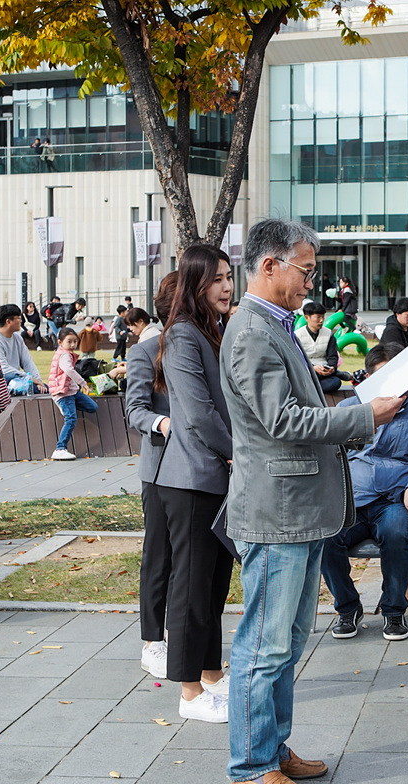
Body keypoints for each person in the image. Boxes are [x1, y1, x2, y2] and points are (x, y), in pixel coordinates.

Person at [220, 218, 403, 784]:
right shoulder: (252, 331)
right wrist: (360, 416)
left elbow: (294, 409)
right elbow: (282, 422)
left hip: (294, 508)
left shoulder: (274, 325)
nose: (311, 283)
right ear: (268, 266)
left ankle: (271, 747)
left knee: (290, 638)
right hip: (276, 511)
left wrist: (351, 405)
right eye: (305, 271)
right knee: (266, 643)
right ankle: (250, 762)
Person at [146, 244, 236, 722]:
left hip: (216, 474)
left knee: (212, 586)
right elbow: (198, 413)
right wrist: (236, 452)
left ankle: (209, 675)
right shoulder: (182, 334)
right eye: (218, 278)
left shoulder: (211, 330)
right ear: (197, 283)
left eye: (228, 276)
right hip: (192, 477)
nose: (227, 286)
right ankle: (188, 694)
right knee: (190, 587)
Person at [323, 343, 408, 641]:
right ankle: (348, 607)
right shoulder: (348, 409)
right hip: (351, 499)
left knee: (398, 529)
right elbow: (329, 455)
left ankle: (393, 610)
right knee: (324, 535)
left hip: (394, 498)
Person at [125, 271, 177, 681]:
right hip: (161, 468)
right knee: (158, 556)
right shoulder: (145, 351)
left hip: (205, 469)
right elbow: (135, 410)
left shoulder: (214, 345)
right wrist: (166, 424)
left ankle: (185, 635)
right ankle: (152, 641)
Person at [47, 328, 96, 461]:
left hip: (72, 392)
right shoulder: (64, 355)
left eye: (75, 341)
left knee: (93, 407)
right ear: (60, 342)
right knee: (71, 419)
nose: (73, 345)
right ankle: (60, 448)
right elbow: (68, 369)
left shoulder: (66, 353)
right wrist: (83, 383)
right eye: (69, 342)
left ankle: (69, 409)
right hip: (62, 394)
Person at [0, 304, 47, 392]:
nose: (21, 321)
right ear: (8, 322)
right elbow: (2, 368)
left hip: (19, 378)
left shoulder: (17, 338)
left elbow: (27, 362)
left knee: (46, 389)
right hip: (3, 380)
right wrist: (30, 378)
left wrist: (38, 381)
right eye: (19, 318)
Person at [295, 302, 342, 394]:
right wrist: (313, 368)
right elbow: (296, 359)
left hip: (323, 371)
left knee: (335, 382)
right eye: (318, 317)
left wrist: (331, 367)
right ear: (307, 318)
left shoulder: (329, 334)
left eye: (323, 317)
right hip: (305, 371)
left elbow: (333, 356)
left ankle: (310, 388)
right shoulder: (297, 335)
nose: (321, 320)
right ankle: (312, 387)